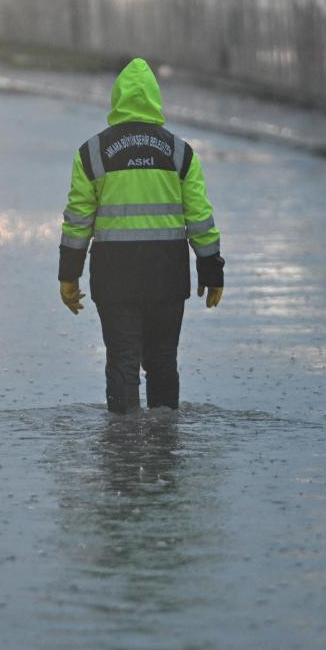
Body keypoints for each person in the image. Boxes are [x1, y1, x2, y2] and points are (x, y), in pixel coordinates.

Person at [58, 58, 224, 413]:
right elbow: (199, 218)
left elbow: (77, 220)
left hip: (115, 277)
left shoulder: (92, 153)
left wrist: (68, 275)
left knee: (122, 361)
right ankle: (165, 446)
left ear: (116, 99)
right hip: (166, 275)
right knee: (163, 361)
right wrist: (212, 272)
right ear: (154, 99)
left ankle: (123, 450)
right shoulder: (180, 153)